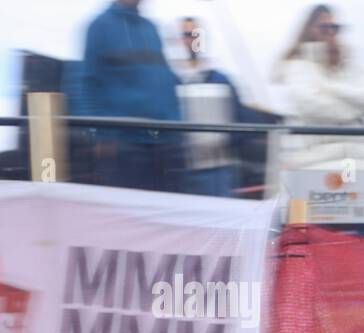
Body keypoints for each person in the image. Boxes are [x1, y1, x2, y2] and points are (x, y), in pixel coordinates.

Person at [274, 6, 364, 184]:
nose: (330, 33)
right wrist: (356, 107)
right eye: (324, 27)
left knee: (357, 205)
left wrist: (330, 88)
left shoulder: (350, 62)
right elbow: (310, 105)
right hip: (314, 162)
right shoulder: (297, 66)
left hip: (357, 161)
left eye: (335, 28)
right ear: (310, 29)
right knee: (324, 209)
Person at [81, 0, 183, 192]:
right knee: (131, 216)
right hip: (126, 145)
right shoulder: (99, 26)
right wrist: (101, 136)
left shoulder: (152, 28)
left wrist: (178, 124)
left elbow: (165, 79)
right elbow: (89, 83)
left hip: (167, 142)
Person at [172, 17, 244, 197]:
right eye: (187, 35)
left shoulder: (221, 79)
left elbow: (239, 117)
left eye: (197, 35)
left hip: (218, 168)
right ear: (178, 39)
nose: (192, 40)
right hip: (179, 168)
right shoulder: (168, 81)